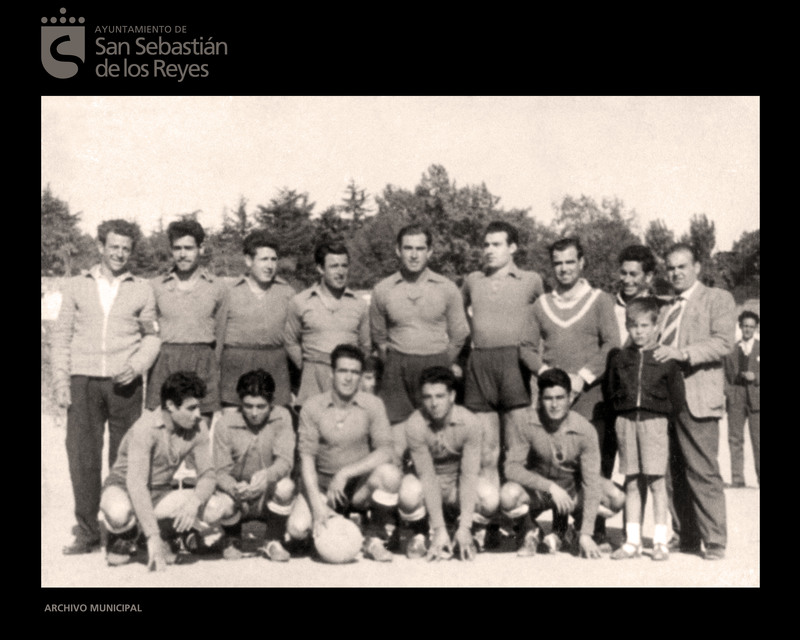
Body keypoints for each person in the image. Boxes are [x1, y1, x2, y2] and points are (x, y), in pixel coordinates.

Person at [51, 219, 161, 555]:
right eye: (113, 247)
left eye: (126, 248)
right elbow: (61, 336)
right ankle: (86, 532)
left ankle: (120, 531)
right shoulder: (76, 285)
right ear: (100, 247)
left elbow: (152, 337)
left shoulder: (142, 288)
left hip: (125, 384)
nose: (119, 254)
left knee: (124, 458)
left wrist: (137, 365)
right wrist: (61, 380)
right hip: (83, 381)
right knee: (83, 457)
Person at [525, 237, 620, 547]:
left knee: (593, 463)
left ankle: (594, 528)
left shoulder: (600, 300)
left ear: (582, 263)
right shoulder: (542, 304)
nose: (564, 269)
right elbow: (526, 348)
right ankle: (559, 527)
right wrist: (548, 376)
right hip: (555, 399)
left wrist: (582, 377)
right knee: (558, 461)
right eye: (558, 263)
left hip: (590, 395)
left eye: (570, 262)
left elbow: (612, 344)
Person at [654, 243, 736, 560]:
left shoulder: (717, 298)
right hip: (666, 400)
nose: (675, 273)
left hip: (698, 397)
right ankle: (684, 535)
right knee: (671, 472)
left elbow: (723, 342)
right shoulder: (665, 308)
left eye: (682, 266)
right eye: (671, 268)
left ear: (697, 267)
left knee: (703, 470)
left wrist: (683, 353)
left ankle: (715, 540)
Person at [99, 372, 225, 571]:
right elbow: (136, 484)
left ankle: (164, 532)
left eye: (199, 407)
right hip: (124, 488)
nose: (198, 414)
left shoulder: (197, 426)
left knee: (216, 507)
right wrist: (153, 537)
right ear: (170, 405)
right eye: (191, 408)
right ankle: (125, 534)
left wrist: (194, 502)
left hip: (160, 492)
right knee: (118, 512)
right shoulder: (145, 427)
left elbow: (208, 475)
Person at [286, 344, 402, 562]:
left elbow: (386, 450)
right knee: (297, 528)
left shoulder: (373, 404)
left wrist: (346, 473)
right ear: (331, 373)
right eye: (342, 371)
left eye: (355, 372)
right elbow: (307, 459)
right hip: (323, 486)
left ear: (361, 376)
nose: (348, 378)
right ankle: (324, 527)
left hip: (357, 487)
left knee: (390, 475)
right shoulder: (313, 406)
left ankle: (373, 536)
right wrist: (318, 507)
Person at [499, 368, 625, 558]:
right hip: (541, 493)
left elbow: (591, 482)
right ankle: (530, 530)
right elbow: (511, 468)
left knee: (615, 497)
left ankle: (577, 531)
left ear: (570, 398)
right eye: (548, 398)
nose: (554, 405)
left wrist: (586, 534)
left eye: (560, 398)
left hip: (573, 493)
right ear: (539, 399)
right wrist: (549, 487)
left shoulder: (585, 429)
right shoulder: (527, 423)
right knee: (507, 495)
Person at [461, 220, 544, 488]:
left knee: (518, 450)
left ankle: (518, 510)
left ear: (513, 248)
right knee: (486, 451)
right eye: (485, 245)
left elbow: (547, 316)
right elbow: (457, 313)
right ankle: (490, 510)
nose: (489, 250)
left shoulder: (531, 280)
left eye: (496, 244)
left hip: (515, 365)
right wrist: (473, 332)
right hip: (481, 364)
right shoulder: (473, 280)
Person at [369, 224, 470, 433]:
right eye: (408, 248)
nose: (414, 255)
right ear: (398, 250)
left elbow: (459, 334)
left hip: (436, 362)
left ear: (429, 252)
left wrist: (442, 362)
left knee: (436, 429)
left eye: (420, 249)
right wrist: (395, 363)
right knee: (397, 431)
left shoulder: (447, 288)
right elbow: (379, 338)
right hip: (397, 367)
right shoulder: (383, 289)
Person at [605, 298, 685, 561]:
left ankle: (660, 541)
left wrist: (659, 417)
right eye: (633, 326)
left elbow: (677, 397)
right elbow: (611, 389)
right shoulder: (619, 357)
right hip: (626, 422)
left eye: (644, 326)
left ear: (655, 326)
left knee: (656, 482)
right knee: (631, 482)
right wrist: (622, 413)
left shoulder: (666, 358)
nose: (639, 331)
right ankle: (632, 542)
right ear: (627, 326)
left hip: (655, 423)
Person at [396, 366, 499, 561]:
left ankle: (467, 532)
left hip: (456, 486)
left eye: (440, 396)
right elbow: (427, 476)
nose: (434, 403)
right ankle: (422, 531)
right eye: (427, 397)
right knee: (408, 493)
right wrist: (439, 528)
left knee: (490, 497)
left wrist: (465, 526)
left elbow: (469, 475)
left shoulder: (470, 422)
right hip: (429, 484)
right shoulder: (415, 424)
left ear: (452, 396)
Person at [212, 369, 297, 562]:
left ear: (272, 402)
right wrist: (234, 488)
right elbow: (220, 472)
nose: (254, 413)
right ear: (239, 403)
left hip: (267, 492)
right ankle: (232, 538)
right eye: (248, 406)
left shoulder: (282, 416)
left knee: (286, 487)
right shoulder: (225, 424)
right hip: (238, 496)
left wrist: (267, 476)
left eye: (261, 406)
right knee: (220, 503)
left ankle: (272, 540)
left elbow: (285, 461)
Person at [147, 219, 228, 418]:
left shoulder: (217, 286)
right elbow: (149, 330)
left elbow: (221, 332)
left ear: (200, 249)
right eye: (177, 248)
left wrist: (213, 364)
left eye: (189, 248)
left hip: (203, 361)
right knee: (163, 425)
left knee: (199, 425)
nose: (182, 254)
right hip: (165, 361)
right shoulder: (155, 286)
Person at [284, 240, 370, 406]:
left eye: (344, 266)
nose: (340, 272)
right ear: (320, 268)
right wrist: (308, 367)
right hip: (313, 379)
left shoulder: (359, 304)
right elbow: (290, 341)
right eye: (334, 266)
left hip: (348, 379)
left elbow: (365, 346)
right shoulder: (300, 302)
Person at [217, 231, 296, 409]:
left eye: (273, 259)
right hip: (236, 367)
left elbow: (293, 339)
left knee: (276, 418)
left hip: (275, 366)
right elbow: (218, 335)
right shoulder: (228, 291)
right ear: (248, 260)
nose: (270, 266)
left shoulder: (287, 293)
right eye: (264, 259)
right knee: (234, 419)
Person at [723, 311, 760, 488]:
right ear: (740, 326)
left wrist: (756, 377)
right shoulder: (731, 349)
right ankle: (737, 479)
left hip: (756, 398)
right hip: (736, 397)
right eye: (745, 326)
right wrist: (728, 392)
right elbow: (723, 374)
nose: (748, 330)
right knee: (735, 438)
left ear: (756, 328)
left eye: (751, 327)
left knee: (758, 439)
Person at [614, 245, 662, 345]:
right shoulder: (608, 305)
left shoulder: (659, 308)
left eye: (633, 274)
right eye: (623, 273)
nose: (627, 280)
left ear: (648, 276)